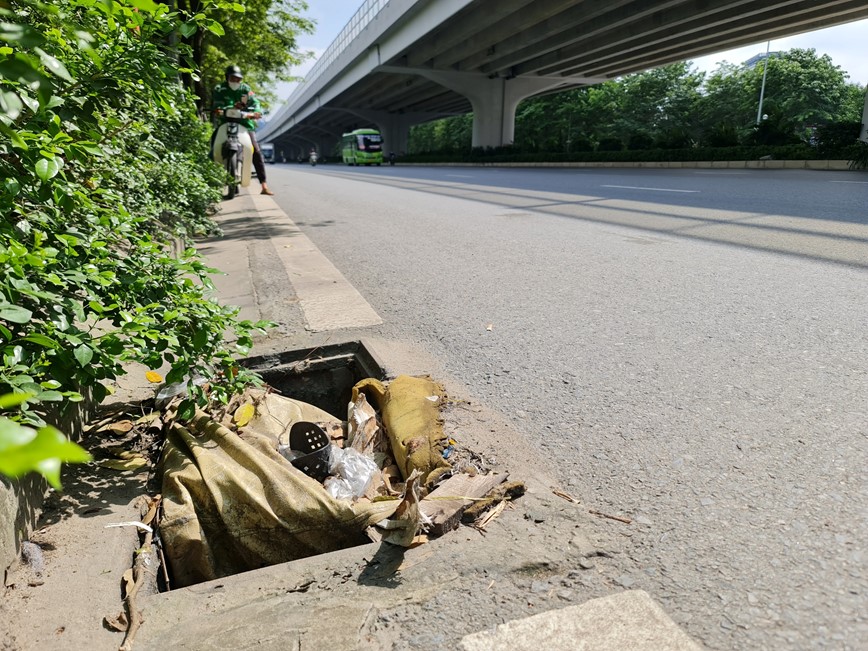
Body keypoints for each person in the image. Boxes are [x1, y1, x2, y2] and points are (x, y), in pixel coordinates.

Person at [211, 65, 274, 196]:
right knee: (213, 144)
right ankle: (210, 181)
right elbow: (217, 104)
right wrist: (227, 107)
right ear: (227, 77)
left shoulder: (245, 89)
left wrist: (256, 112)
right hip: (225, 122)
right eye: (233, 78)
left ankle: (264, 185)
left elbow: (255, 103)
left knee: (255, 150)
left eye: (238, 79)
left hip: (244, 124)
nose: (235, 81)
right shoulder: (219, 89)